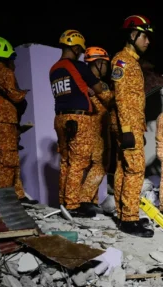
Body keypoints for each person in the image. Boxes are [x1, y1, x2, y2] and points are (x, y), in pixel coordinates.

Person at [50, 31, 113, 217]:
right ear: (76, 48)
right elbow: (99, 89)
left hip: (60, 117)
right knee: (78, 163)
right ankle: (72, 205)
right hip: (78, 118)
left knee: (66, 162)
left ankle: (64, 202)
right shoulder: (77, 66)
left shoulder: (54, 69)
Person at [111, 15, 154, 237]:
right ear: (132, 35)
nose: (148, 41)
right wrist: (127, 130)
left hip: (132, 125)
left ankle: (123, 215)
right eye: (144, 36)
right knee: (136, 169)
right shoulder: (122, 61)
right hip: (127, 125)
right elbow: (121, 97)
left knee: (123, 168)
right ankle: (129, 218)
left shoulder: (132, 62)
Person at [0, 36, 30, 201]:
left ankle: (11, 195)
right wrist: (25, 93)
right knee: (7, 161)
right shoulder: (4, 72)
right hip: (3, 121)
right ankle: (6, 198)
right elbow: (15, 96)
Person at [84, 46, 114, 208]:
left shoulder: (85, 82)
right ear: (98, 63)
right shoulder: (96, 84)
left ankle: (92, 202)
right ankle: (84, 199)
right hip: (96, 130)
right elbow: (109, 100)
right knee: (99, 165)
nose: (107, 68)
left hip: (98, 129)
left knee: (94, 165)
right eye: (105, 64)